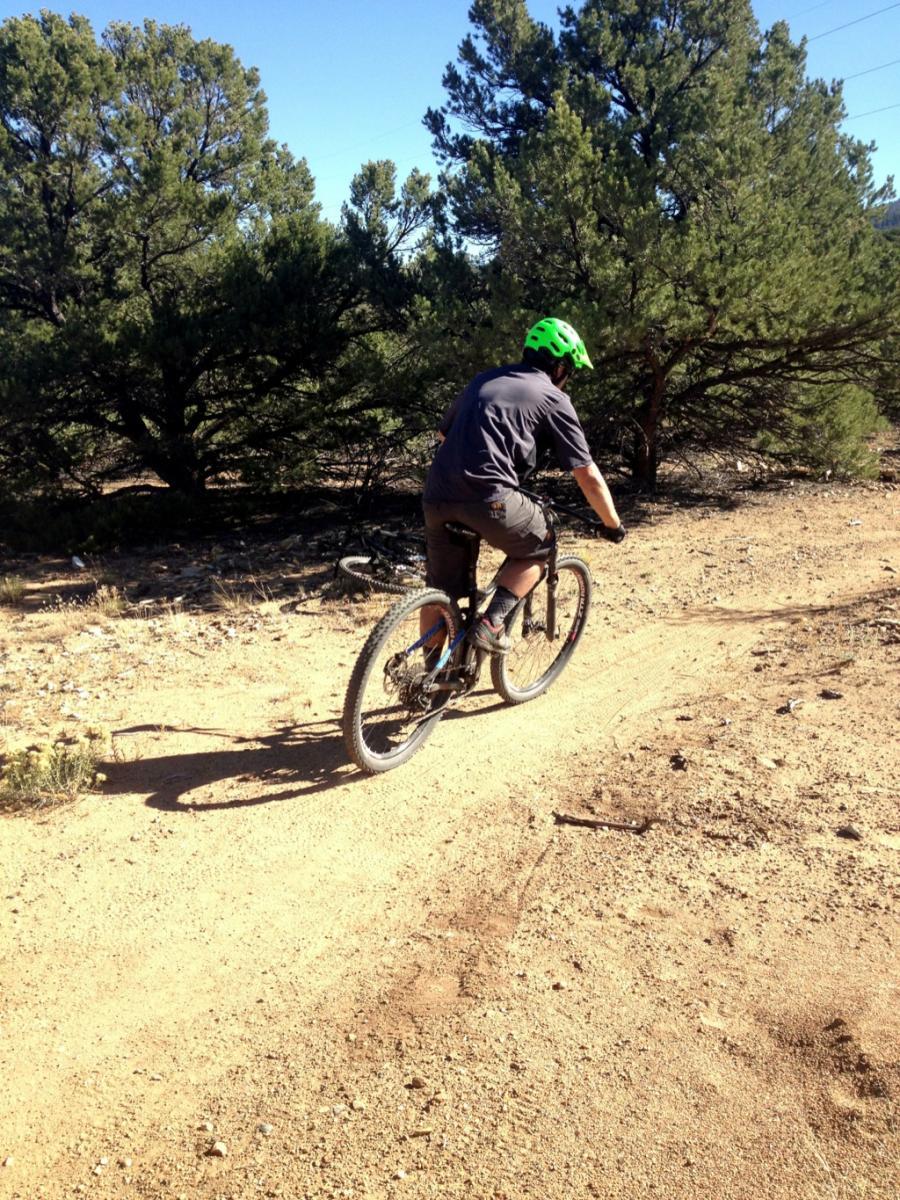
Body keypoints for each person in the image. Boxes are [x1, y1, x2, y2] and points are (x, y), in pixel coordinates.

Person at [423, 316, 626, 654]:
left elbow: (444, 433)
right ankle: (490, 625)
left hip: (436, 495)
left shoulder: (484, 379)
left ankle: (428, 677)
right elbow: (586, 473)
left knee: (441, 589)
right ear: (560, 367)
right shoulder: (553, 397)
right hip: (489, 495)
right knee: (541, 546)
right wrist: (612, 524)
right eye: (570, 369)